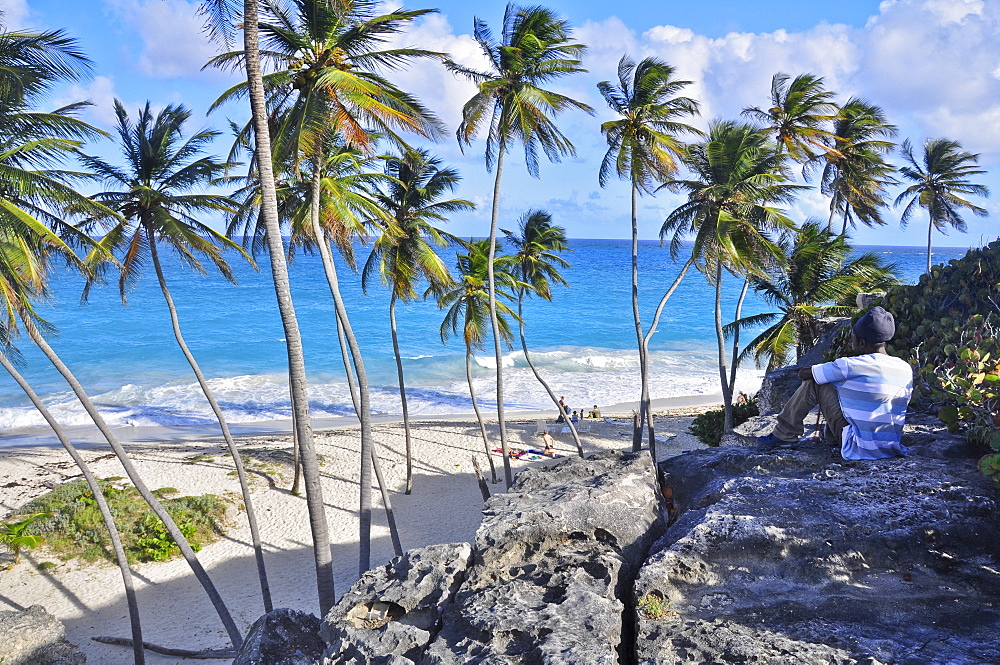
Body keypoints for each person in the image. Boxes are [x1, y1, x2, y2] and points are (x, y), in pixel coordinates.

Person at [757, 306, 912, 460]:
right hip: (890, 447)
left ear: (862, 342)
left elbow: (804, 373)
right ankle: (830, 436)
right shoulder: (904, 368)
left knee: (818, 382)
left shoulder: (851, 365)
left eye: (853, 340)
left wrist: (829, 371)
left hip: (858, 447)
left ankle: (784, 434)